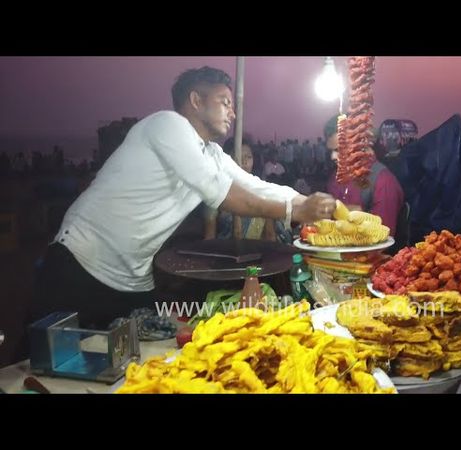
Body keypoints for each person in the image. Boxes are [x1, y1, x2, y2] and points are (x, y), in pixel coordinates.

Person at [30, 66, 336, 328]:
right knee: (33, 363)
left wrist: (306, 200)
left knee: (138, 363)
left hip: (133, 277)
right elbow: (227, 195)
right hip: (80, 261)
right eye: (224, 102)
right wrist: (296, 211)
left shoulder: (212, 153)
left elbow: (255, 186)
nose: (233, 112)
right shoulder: (167, 125)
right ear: (195, 100)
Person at [323, 115, 405, 240]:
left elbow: (382, 238)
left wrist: (346, 215)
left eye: (339, 150)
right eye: (331, 151)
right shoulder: (334, 178)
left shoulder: (383, 182)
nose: (333, 157)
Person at [204, 135, 279, 241]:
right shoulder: (215, 192)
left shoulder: (261, 191)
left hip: (256, 253)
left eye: (248, 157)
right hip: (225, 254)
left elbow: (270, 234)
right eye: (238, 156)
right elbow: (209, 238)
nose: (244, 162)